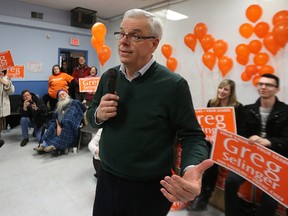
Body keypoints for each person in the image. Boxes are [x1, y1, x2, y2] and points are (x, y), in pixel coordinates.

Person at [86, 9, 213, 216]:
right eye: (122, 34)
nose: (124, 42)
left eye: (135, 36)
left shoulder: (173, 85)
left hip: (149, 188)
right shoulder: (109, 76)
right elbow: (91, 116)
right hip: (107, 178)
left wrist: (190, 170)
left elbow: (192, 135)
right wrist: (98, 115)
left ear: (154, 43)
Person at [225, 74, 288, 216]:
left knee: (272, 196)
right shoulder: (248, 110)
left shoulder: (285, 111)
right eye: (260, 84)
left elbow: (286, 140)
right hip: (250, 157)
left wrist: (270, 142)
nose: (263, 87)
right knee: (230, 181)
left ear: (277, 89)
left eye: (268, 85)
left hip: (274, 162)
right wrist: (248, 139)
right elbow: (240, 135)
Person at [187, 79, 244, 211]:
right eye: (220, 88)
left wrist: (221, 139)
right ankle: (194, 194)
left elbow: (239, 130)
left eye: (225, 89)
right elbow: (207, 125)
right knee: (198, 156)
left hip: (227, 145)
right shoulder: (212, 103)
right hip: (210, 142)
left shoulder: (238, 108)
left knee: (211, 165)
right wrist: (208, 135)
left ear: (231, 93)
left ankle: (202, 198)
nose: (222, 92)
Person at [0, 69, 15, 137]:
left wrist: (6, 83)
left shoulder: (6, 80)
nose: (1, 73)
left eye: (2, 71)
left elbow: (11, 92)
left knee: (0, 124)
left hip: (2, 106)